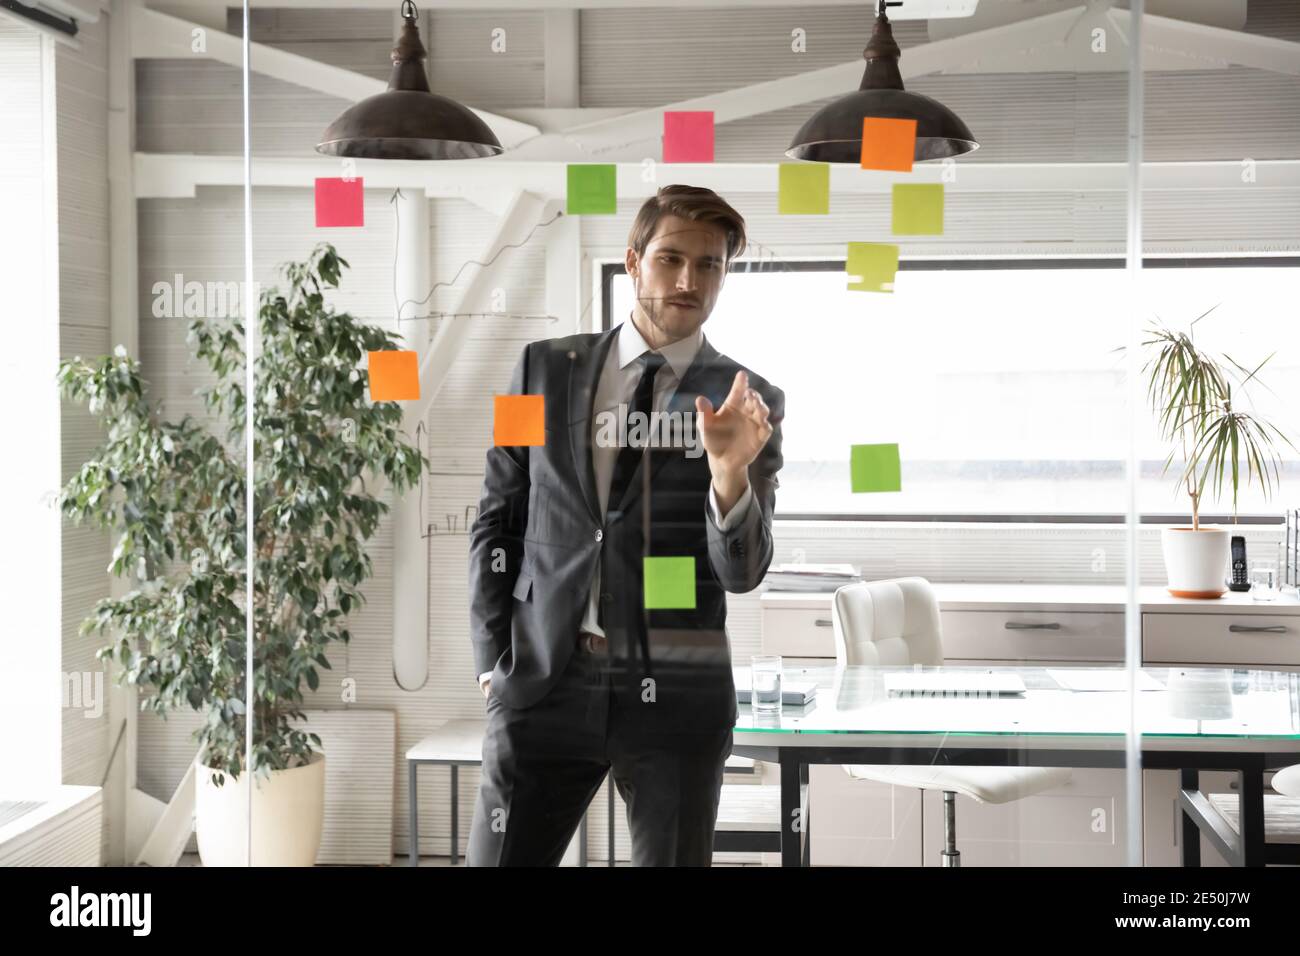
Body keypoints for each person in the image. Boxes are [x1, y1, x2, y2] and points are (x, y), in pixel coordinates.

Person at [465, 184, 784, 866]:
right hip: (543, 684)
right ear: (634, 261)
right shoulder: (540, 371)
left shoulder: (747, 400)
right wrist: (492, 661)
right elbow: (498, 518)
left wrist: (729, 475)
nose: (688, 280)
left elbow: (741, 573)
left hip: (676, 697)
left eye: (709, 265)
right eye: (671, 259)